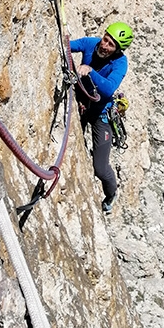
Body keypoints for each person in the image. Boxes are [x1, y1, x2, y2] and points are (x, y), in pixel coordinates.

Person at [70, 21, 133, 214]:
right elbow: (67, 46)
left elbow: (108, 89)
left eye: (111, 45)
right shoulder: (91, 43)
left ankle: (111, 194)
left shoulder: (120, 63)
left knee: (100, 167)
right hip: (82, 103)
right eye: (105, 40)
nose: (105, 46)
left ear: (117, 50)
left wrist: (90, 71)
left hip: (101, 113)